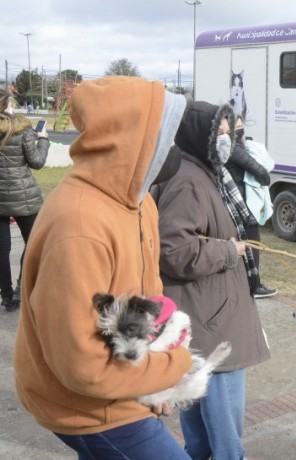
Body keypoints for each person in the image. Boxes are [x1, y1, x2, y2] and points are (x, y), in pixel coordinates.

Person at [13, 76, 193, 458]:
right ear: (133, 140)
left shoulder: (139, 201)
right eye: (166, 137)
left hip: (120, 386)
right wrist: (174, 366)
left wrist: (152, 385)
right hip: (86, 407)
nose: (173, 149)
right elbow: (82, 367)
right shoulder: (78, 225)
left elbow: (149, 299)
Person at [152, 101, 271, 460]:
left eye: (229, 132)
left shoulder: (206, 172)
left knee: (202, 439)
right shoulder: (189, 180)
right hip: (213, 326)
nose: (227, 140)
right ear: (195, 135)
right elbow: (172, 250)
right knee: (224, 440)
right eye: (218, 133)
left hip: (207, 317)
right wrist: (228, 252)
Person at [0, 89, 49, 312]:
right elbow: (37, 162)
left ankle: (7, 297)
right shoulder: (21, 127)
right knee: (33, 244)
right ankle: (21, 288)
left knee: (1, 250)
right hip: (24, 196)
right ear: (7, 103)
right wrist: (43, 140)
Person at [225, 116, 278, 299]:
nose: (241, 131)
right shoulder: (234, 148)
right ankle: (255, 285)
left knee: (243, 242)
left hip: (235, 201)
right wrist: (266, 179)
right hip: (243, 203)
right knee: (252, 242)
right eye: (237, 128)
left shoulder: (230, 146)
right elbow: (257, 169)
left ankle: (246, 282)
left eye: (242, 127)